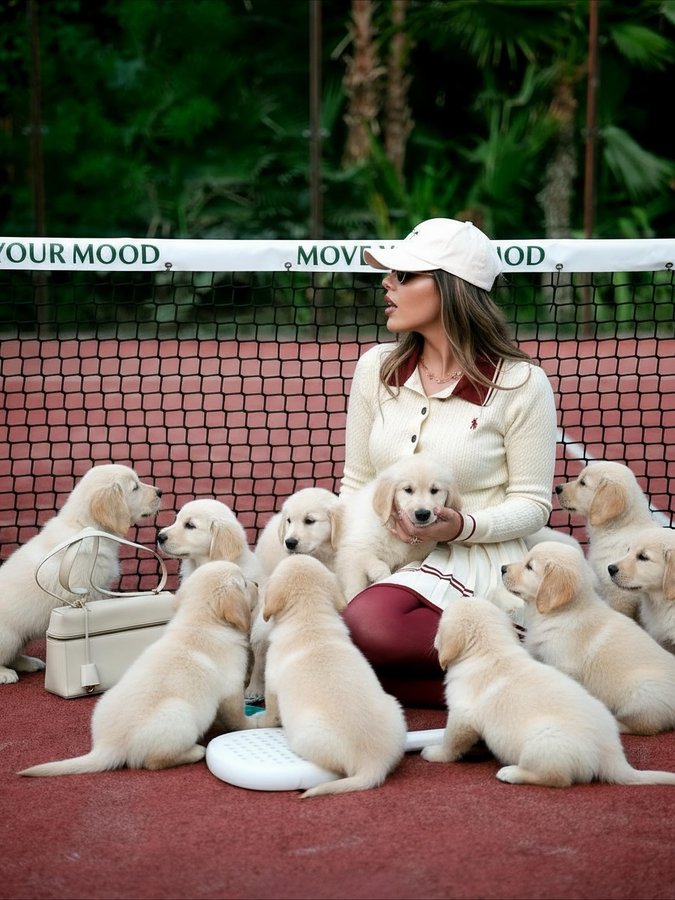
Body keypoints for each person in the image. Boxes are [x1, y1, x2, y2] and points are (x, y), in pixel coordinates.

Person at [339, 217, 558, 708]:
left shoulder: (521, 384)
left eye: (403, 275)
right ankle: (513, 689)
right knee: (329, 630)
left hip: (479, 556)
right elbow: (355, 483)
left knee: (370, 628)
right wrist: (344, 553)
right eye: (390, 274)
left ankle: (523, 666)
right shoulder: (375, 367)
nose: (386, 284)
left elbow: (532, 505)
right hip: (389, 557)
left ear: (450, 288)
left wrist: (460, 525)